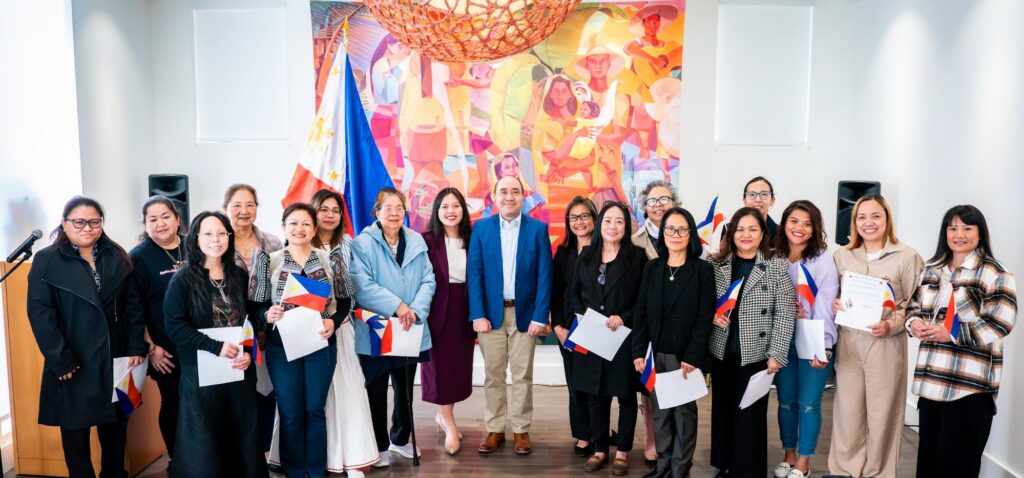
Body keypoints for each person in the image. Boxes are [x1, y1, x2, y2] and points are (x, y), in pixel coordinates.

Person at [27, 196, 146, 478]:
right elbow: (41, 315)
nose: (87, 228)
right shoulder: (47, 260)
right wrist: (60, 359)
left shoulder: (116, 255)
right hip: (73, 359)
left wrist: (135, 345)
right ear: (64, 223)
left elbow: (133, 306)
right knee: (75, 435)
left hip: (115, 356)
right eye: (79, 222)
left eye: (94, 222)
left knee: (116, 428)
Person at [905, 205, 1017, 477]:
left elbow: (1000, 324)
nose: (959, 235)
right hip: (931, 386)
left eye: (967, 228)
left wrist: (953, 334)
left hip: (969, 390)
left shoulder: (995, 273)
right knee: (928, 467)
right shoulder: (932, 269)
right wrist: (914, 323)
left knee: (957, 469)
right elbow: (913, 307)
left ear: (980, 232)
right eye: (953, 228)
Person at [163, 211, 266, 477]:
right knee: (205, 436)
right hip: (201, 373)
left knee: (242, 432)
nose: (215, 239)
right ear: (195, 238)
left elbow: (251, 319)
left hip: (238, 370)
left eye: (221, 233)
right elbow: (175, 326)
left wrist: (247, 350)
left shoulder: (239, 275)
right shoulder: (183, 279)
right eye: (208, 234)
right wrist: (215, 346)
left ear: (229, 237)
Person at [826, 194, 923, 478]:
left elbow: (915, 306)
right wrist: (835, 304)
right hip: (849, 344)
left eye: (875, 216)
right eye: (861, 217)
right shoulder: (842, 256)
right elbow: (834, 296)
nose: (868, 223)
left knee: (883, 416)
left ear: (887, 219)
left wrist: (892, 325)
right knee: (847, 413)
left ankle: (878, 473)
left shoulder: (907, 257)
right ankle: (844, 471)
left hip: (886, 345)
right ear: (854, 222)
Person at [249, 203, 349, 478]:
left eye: (306, 223)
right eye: (293, 223)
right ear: (283, 227)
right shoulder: (269, 260)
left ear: (314, 229)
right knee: (290, 411)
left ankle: (315, 471)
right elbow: (255, 304)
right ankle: (294, 471)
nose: (299, 229)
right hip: (281, 347)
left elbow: (344, 301)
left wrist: (333, 321)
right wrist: (267, 314)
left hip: (321, 344)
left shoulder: (330, 259)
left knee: (315, 409)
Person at [350, 187, 436, 466]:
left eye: (399, 208)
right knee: (376, 389)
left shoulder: (415, 241)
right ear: (377, 212)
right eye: (388, 208)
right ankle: (379, 445)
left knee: (405, 390)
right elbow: (361, 285)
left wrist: (415, 311)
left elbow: (428, 279)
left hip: (409, 327)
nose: (394, 213)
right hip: (377, 328)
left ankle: (400, 439)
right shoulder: (362, 243)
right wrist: (398, 307)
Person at [708, 207, 796, 478]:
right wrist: (712, 315)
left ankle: (747, 470)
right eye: (740, 229)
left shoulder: (776, 265)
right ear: (731, 233)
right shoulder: (716, 264)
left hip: (757, 353)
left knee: (750, 414)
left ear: (762, 234)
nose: (745, 235)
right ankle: (725, 464)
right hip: (721, 349)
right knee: (723, 410)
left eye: (752, 229)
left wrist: (777, 353)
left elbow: (785, 312)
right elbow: (701, 301)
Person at [469, 175, 553, 455]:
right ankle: (494, 428)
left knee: (522, 375)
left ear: (522, 196)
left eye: (515, 191)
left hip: (525, 315)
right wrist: (477, 313)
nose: (509, 196)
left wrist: (540, 316)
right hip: (490, 317)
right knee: (493, 375)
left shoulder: (538, 229)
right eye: (503, 191)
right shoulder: (481, 229)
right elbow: (475, 274)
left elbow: (545, 276)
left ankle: (520, 430)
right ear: (494, 197)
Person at [631, 207, 714, 478]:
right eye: (670, 229)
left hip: (685, 358)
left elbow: (705, 317)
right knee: (660, 413)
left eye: (681, 229)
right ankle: (663, 466)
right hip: (655, 354)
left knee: (684, 414)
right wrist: (638, 351)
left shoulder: (702, 270)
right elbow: (640, 312)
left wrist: (693, 355)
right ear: (662, 233)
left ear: (691, 234)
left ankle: (680, 469)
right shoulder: (652, 268)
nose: (675, 234)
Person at [568, 202, 646, 475]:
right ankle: (600, 449)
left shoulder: (637, 257)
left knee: (625, 397)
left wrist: (623, 317)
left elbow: (643, 301)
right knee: (595, 396)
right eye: (608, 221)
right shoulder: (586, 255)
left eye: (619, 221)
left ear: (626, 227)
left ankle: (622, 451)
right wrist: (587, 317)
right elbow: (574, 294)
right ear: (600, 224)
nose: (612, 226)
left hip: (623, 337)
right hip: (592, 336)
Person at [310, 189, 379, 475]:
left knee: (349, 389)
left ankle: (353, 457)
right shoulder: (300, 242)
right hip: (309, 331)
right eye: (323, 209)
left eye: (335, 210)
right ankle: (320, 458)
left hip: (343, 326)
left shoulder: (349, 245)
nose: (329, 215)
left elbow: (357, 286)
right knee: (317, 395)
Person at [770, 201, 839, 478]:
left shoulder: (823, 261)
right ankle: (789, 455)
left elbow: (826, 306)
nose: (800, 228)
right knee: (785, 401)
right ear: (784, 223)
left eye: (807, 223)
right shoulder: (774, 255)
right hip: (781, 339)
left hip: (813, 339)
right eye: (794, 221)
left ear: (815, 228)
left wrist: (824, 347)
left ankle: (804, 461)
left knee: (809, 403)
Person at [222, 183, 283, 464]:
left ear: (257, 208)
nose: (243, 211)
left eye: (250, 204)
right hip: (230, 330)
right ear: (225, 209)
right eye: (236, 205)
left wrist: (263, 325)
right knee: (238, 393)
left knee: (268, 388)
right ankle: (240, 452)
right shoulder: (219, 242)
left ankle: (266, 448)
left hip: (268, 326)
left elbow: (280, 288)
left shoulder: (272, 243)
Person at [420, 187, 476, 455]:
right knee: (439, 369)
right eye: (444, 206)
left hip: (464, 310)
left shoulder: (473, 237)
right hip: (437, 310)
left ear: (463, 209)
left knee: (456, 370)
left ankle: (444, 417)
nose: (450, 211)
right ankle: (450, 425)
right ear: (436, 211)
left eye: (455, 206)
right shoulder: (427, 240)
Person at [128, 195, 185, 460]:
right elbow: (134, 308)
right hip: (165, 348)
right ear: (145, 224)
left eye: (165, 217)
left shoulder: (194, 246)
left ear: (177, 219)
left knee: (200, 402)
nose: (160, 223)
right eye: (153, 219)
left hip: (198, 342)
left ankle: (200, 457)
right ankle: (177, 459)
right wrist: (152, 348)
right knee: (173, 401)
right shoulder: (138, 257)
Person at [630, 180, 680, 463]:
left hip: (677, 324)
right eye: (652, 201)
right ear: (644, 206)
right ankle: (652, 440)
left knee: (676, 384)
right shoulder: (634, 241)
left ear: (674, 203)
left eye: (664, 199)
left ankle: (676, 440)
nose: (659, 205)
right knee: (649, 387)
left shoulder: (687, 235)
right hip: (647, 323)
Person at [552, 196, 598, 457]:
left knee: (599, 385)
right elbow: (555, 292)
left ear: (594, 218)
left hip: (599, 329)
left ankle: (600, 430)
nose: (579, 222)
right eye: (573, 217)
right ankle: (583, 434)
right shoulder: (563, 253)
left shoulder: (606, 249)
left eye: (584, 216)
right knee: (576, 383)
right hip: (569, 328)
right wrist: (558, 327)